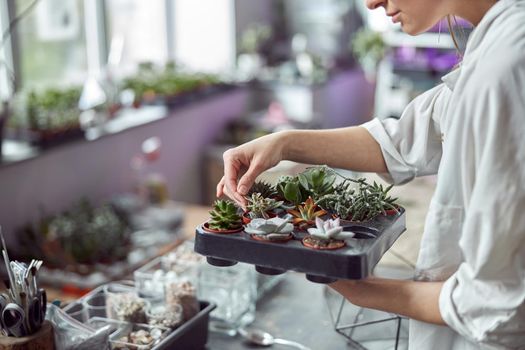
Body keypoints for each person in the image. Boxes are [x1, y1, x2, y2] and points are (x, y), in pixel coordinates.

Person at [217, 0, 525, 348]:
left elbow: (503, 304)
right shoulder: (498, 46)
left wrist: (370, 292)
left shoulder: (508, 66)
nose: (371, 2)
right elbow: (408, 138)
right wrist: (284, 143)